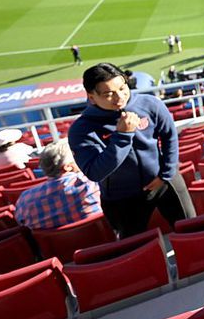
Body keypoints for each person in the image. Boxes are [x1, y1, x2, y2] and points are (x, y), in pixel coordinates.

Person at [68, 63, 195, 238]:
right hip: (122, 197)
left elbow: (169, 137)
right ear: (91, 97)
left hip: (164, 181)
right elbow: (95, 172)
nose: (119, 97)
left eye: (122, 88)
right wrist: (122, 135)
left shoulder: (150, 104)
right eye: (108, 94)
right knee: (135, 248)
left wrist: (165, 174)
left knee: (190, 228)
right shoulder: (81, 130)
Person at [15, 140, 103, 230]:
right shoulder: (91, 183)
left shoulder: (25, 198)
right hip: (105, 242)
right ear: (68, 166)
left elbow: (22, 225)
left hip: (52, 244)